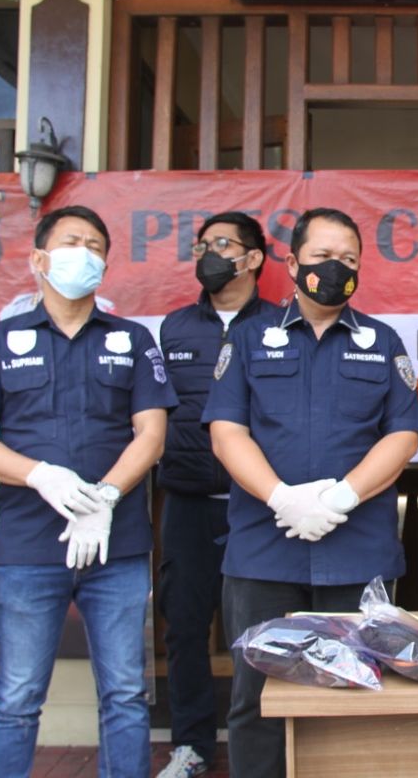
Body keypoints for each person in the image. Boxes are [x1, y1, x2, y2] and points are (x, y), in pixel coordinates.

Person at [0, 205, 178, 778]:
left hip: (116, 545)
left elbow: (151, 434)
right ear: (39, 260)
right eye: (73, 241)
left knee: (124, 695)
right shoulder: (0, 340)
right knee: (18, 696)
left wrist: (106, 497)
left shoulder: (132, 339)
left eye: (96, 244)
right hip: (28, 544)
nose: (86, 252)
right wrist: (40, 475)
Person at [202, 207, 418, 778]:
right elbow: (227, 432)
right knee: (256, 700)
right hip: (263, 551)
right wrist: (282, 497)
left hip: (356, 554)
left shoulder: (381, 341)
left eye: (348, 259)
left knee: (352, 695)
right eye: (324, 257)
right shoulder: (250, 338)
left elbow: (403, 434)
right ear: (292, 260)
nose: (336, 268)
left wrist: (341, 499)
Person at [155, 212, 274, 778]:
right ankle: (193, 744)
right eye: (204, 245)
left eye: (222, 245)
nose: (209, 254)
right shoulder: (173, 328)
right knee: (184, 625)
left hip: (259, 506)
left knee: (264, 628)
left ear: (253, 258)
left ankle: (271, 738)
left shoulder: (280, 325)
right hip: (188, 501)